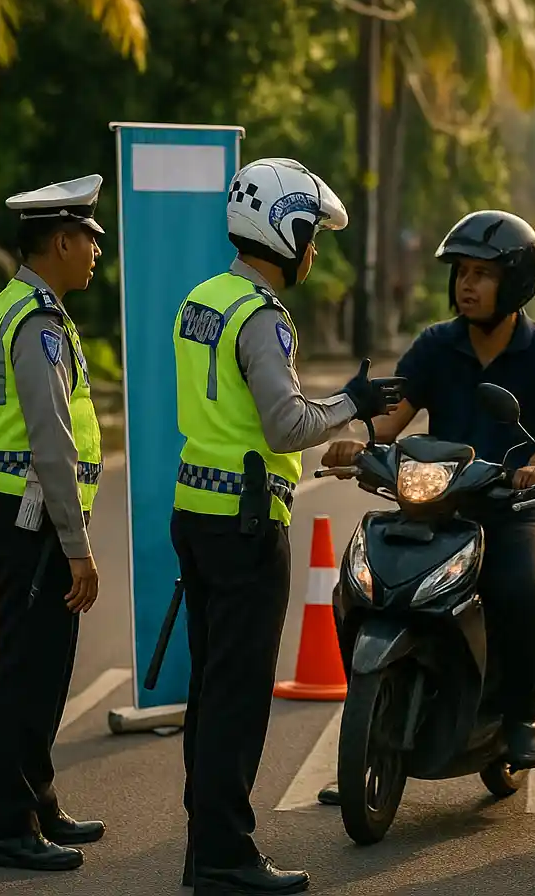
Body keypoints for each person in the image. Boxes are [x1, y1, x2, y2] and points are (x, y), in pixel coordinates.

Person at [171, 158, 403, 895]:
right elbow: (285, 423)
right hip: (245, 529)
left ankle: (203, 846)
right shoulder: (262, 317)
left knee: (210, 692)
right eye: (312, 238)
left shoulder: (202, 299)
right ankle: (227, 858)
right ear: (288, 229)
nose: (314, 253)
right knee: (236, 698)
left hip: (196, 515)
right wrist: (354, 403)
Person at [314, 209, 535, 807]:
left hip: (513, 504)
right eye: (461, 272)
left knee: (521, 586)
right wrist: (362, 442)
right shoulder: (436, 344)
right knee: (362, 581)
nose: (467, 284)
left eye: (482, 274)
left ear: (515, 283)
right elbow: (393, 416)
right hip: (439, 504)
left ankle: (520, 711)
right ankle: (371, 727)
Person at [0, 175, 108, 872]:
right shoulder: (36, 322)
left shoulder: (29, 307)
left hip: (28, 515)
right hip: (32, 520)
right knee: (25, 673)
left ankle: (38, 802)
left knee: (47, 669)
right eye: (89, 239)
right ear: (61, 240)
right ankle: (4, 826)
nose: (94, 253)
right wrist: (78, 547)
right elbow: (50, 442)